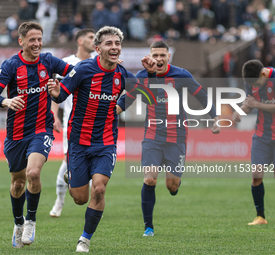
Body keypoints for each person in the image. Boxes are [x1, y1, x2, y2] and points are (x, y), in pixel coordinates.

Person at [47, 26, 157, 252]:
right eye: (109, 43)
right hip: (78, 142)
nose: (114, 47)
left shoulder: (122, 74)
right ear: (97, 49)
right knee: (79, 198)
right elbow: (63, 94)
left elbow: (142, 93)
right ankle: (72, 178)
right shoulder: (83, 69)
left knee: (99, 189)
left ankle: (85, 239)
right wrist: (55, 91)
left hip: (106, 143)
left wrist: (149, 76)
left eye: (117, 44)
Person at [117, 40, 220, 237]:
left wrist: (215, 118)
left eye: (162, 55)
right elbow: (127, 99)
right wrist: (110, 113)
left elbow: (202, 96)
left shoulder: (181, 75)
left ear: (168, 57)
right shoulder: (142, 76)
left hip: (177, 137)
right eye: (155, 55)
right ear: (150, 56)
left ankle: (174, 184)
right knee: (149, 179)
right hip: (152, 136)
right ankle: (148, 227)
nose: (158, 59)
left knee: (172, 186)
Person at [0, 21, 74, 248]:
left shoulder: (49, 61)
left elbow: (76, 73)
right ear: (21, 42)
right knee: (17, 183)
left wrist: (60, 90)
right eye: (32, 40)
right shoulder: (11, 66)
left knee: (34, 173)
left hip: (41, 128)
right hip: (15, 134)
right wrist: (6, 100)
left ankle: (31, 220)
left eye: (39, 39)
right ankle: (18, 223)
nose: (37, 44)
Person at [49, 28, 96, 218]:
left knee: (95, 164)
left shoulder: (99, 64)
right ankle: (60, 201)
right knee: (69, 162)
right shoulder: (67, 64)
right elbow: (56, 92)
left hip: (97, 124)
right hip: (74, 122)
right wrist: (55, 115)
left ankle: (94, 202)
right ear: (80, 41)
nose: (95, 41)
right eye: (91, 37)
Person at [232, 59, 275, 226]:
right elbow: (250, 102)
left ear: (264, 73)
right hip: (262, 135)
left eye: (258, 82)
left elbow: (256, 103)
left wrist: (257, 104)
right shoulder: (250, 80)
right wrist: (240, 112)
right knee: (256, 175)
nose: (256, 85)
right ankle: (260, 216)